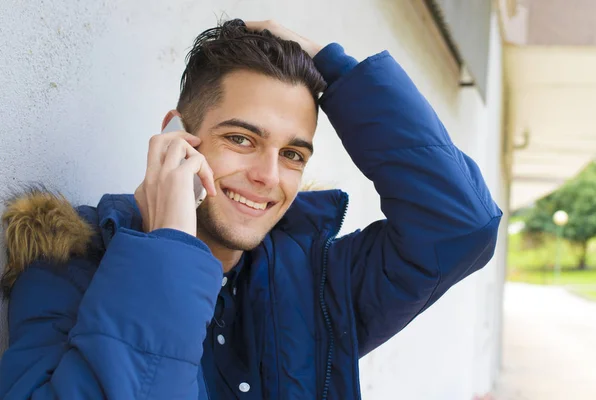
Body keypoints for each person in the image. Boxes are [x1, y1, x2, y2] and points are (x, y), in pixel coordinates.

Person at [0, 19, 502, 399]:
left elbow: (459, 223)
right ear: (176, 134)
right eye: (241, 138)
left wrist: (333, 67)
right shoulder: (68, 264)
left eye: (292, 154)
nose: (268, 176)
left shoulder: (319, 282)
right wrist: (169, 251)